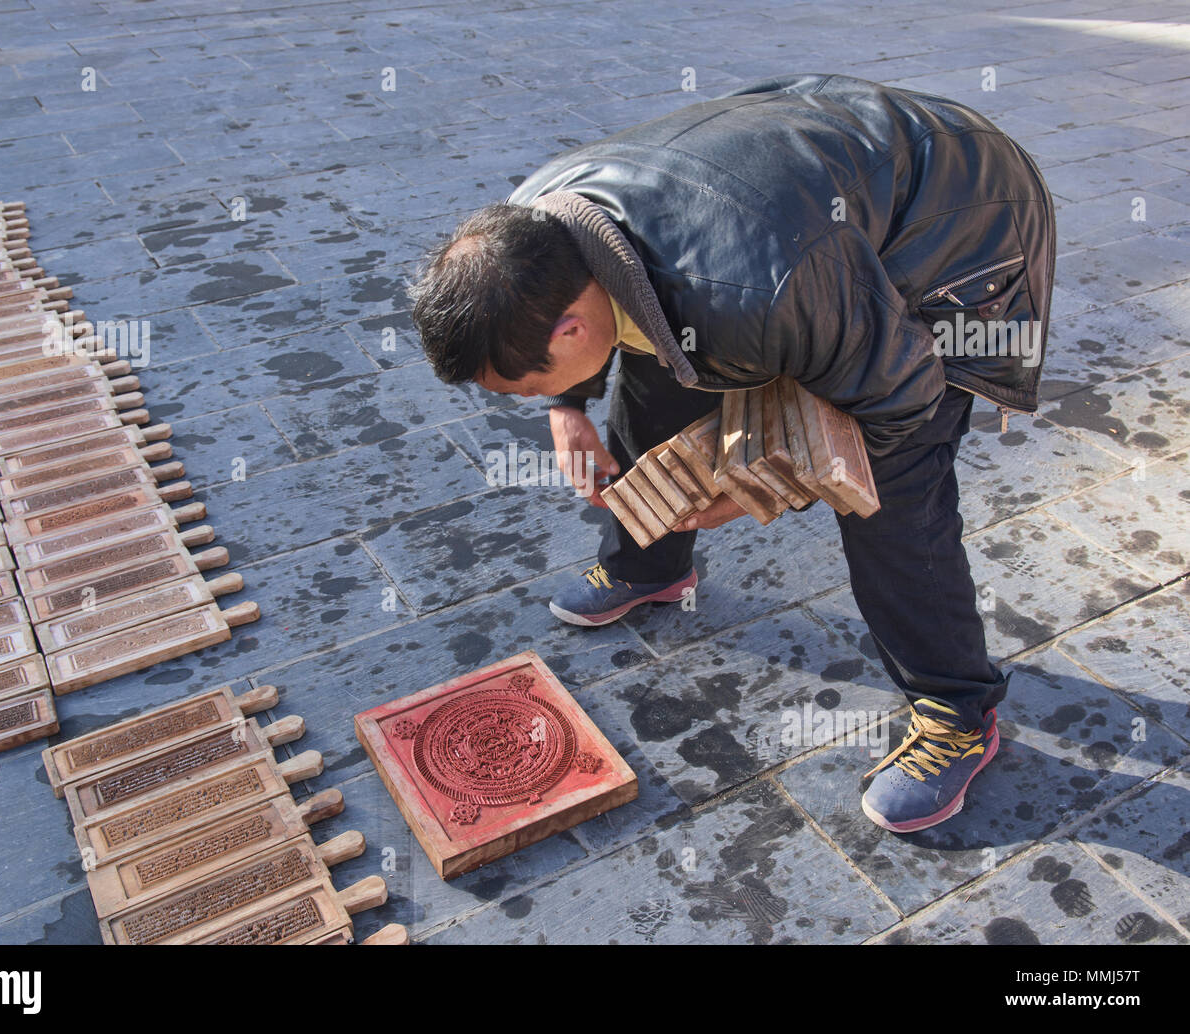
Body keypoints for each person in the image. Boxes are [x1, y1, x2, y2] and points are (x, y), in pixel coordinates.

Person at [409, 73, 1055, 833]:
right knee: (658, 380)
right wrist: (564, 406)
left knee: (893, 497)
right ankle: (649, 565)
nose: (515, 404)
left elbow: (902, 399)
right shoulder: (535, 227)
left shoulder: (757, 289)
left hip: (958, 218)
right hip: (801, 192)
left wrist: (772, 487)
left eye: (517, 389)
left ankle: (958, 711)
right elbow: (608, 323)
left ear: (571, 331)